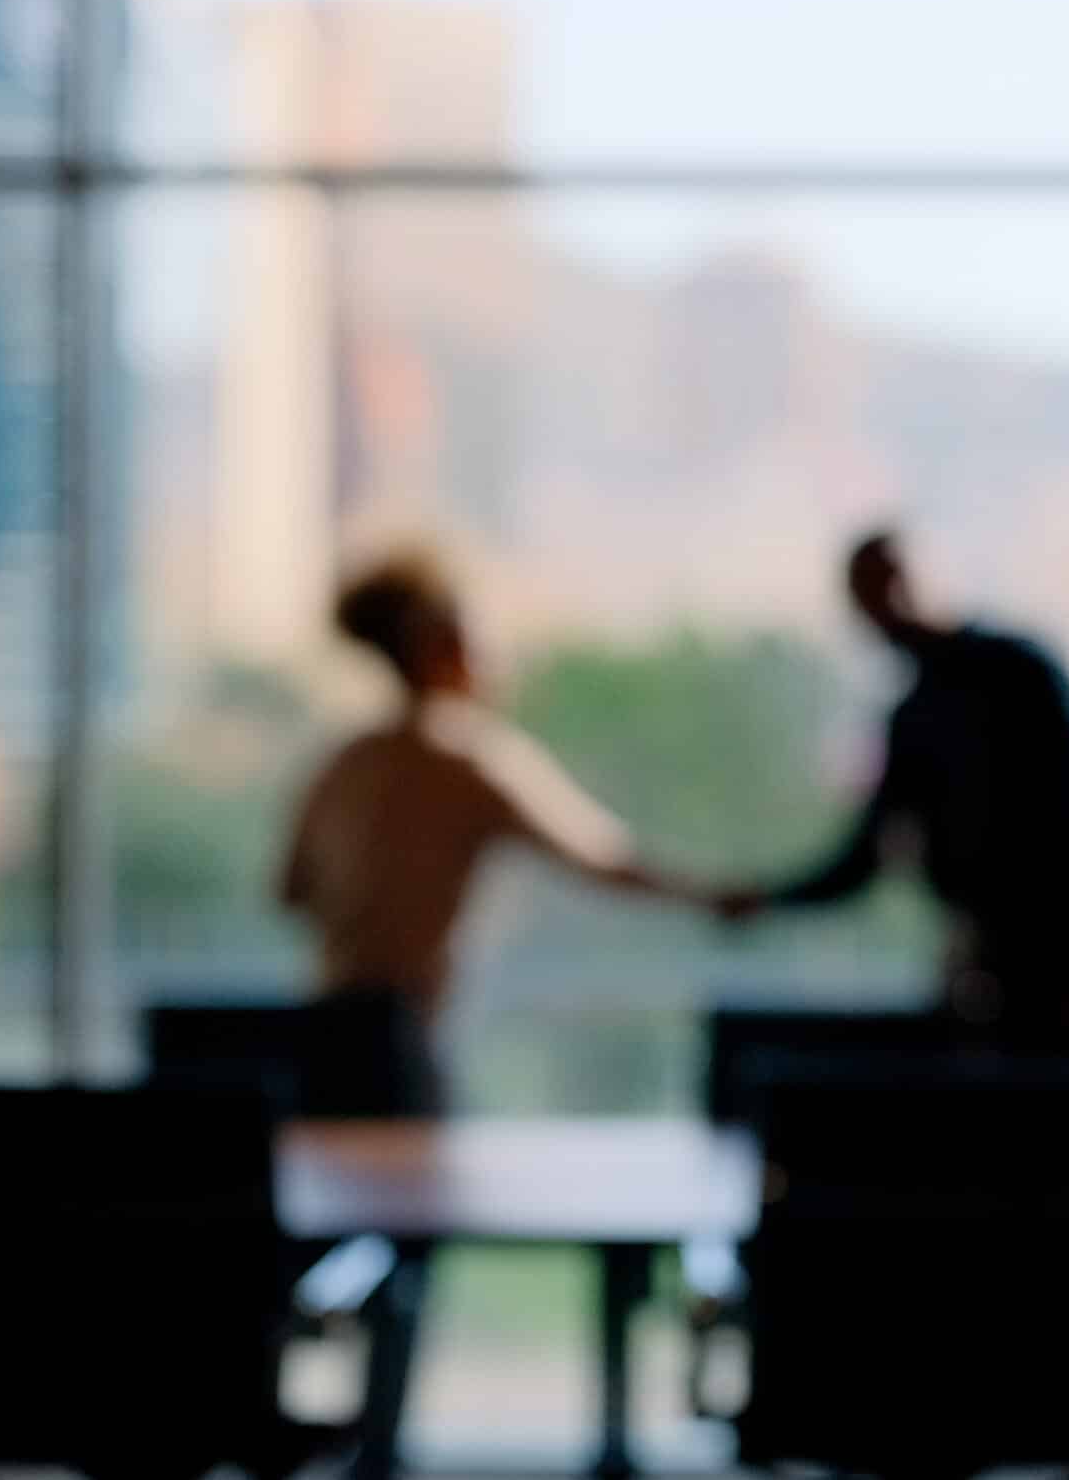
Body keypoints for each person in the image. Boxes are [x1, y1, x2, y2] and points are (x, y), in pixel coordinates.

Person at [276, 546, 726, 1479]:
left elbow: (289, 891)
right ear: (442, 645)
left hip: (314, 1035)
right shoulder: (470, 753)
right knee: (404, 1270)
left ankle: (334, 1447)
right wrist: (723, 897)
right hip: (398, 1042)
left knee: (312, 1260)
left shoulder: (347, 756)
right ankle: (378, 1459)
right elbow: (603, 859)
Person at [743, 529, 1069, 1053]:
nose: (889, 605)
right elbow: (865, 857)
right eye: (871, 593)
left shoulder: (1022, 671)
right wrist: (765, 898)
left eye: (893, 580)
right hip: (988, 969)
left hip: (1061, 963)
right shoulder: (914, 718)